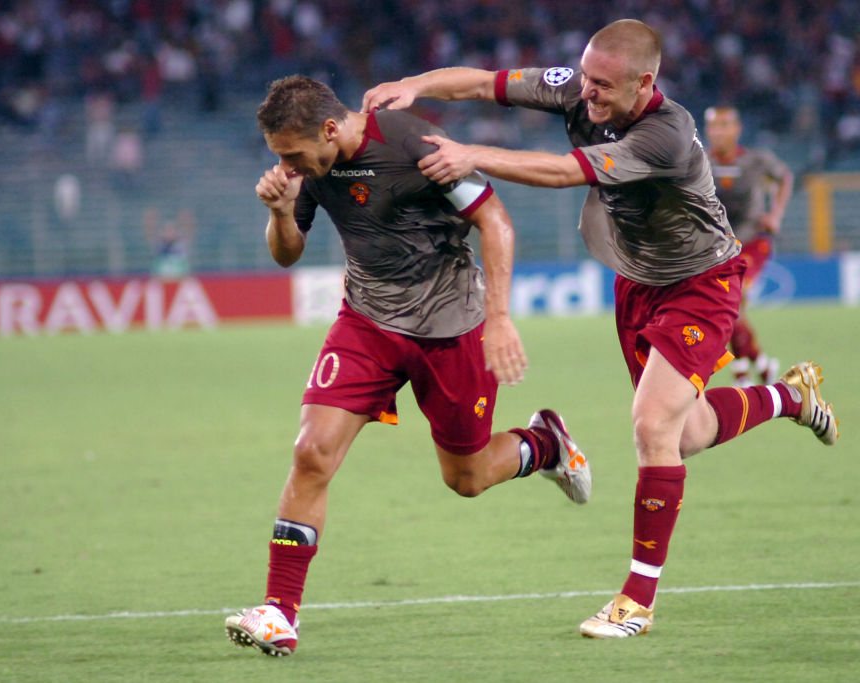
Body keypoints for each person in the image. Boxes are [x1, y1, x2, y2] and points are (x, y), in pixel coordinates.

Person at [362, 18, 839, 639]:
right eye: (584, 79)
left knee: (651, 426)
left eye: (602, 87)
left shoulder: (668, 134)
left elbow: (565, 172)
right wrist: (412, 84)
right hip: (635, 283)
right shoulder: (580, 86)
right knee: (686, 432)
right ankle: (790, 396)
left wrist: (472, 155)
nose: (586, 95)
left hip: (701, 284)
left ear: (645, 82)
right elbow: (483, 83)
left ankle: (636, 601)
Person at [225, 75, 592, 657]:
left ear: (328, 129)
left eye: (291, 154)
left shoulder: (416, 147)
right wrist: (279, 213)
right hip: (367, 322)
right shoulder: (310, 172)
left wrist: (498, 317)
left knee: (466, 478)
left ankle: (543, 445)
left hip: (450, 327)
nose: (287, 165)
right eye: (279, 157)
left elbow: (495, 223)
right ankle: (279, 612)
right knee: (311, 451)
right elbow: (287, 254)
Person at [704, 105, 794, 387]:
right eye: (714, 126)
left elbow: (785, 178)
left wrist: (775, 214)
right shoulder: (700, 161)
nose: (719, 132)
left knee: (736, 298)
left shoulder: (755, 160)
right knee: (726, 305)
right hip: (719, 247)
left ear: (737, 129)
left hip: (753, 242)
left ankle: (742, 370)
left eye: (725, 125)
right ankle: (759, 363)